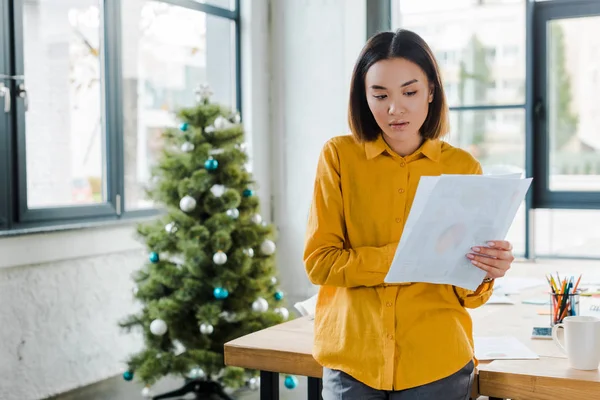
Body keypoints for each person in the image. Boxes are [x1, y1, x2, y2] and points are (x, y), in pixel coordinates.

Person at [303, 29, 515, 400]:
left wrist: (486, 271)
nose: (394, 108)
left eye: (410, 92)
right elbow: (320, 263)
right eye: (380, 95)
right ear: (363, 97)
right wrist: (413, 256)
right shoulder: (339, 157)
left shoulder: (462, 167)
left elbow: (468, 294)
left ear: (431, 91)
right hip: (353, 361)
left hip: (437, 363)